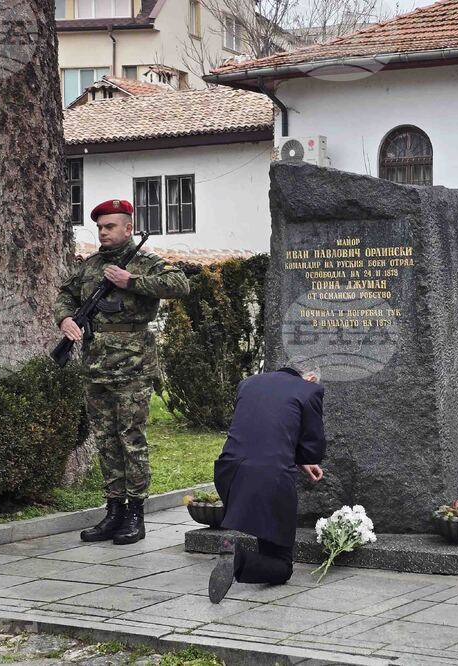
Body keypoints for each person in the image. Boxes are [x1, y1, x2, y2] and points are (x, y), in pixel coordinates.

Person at [53, 198, 190, 545]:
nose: (103, 232)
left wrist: (132, 282)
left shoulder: (146, 262)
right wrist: (66, 319)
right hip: (95, 366)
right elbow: (64, 295)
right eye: (99, 227)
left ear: (128, 228)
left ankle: (135, 514)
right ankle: (113, 511)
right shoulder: (91, 265)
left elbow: (180, 286)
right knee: (105, 440)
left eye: (110, 226)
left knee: (131, 439)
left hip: (132, 367)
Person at [208, 366, 326, 603]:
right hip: (271, 479)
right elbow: (314, 448)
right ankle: (237, 557)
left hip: (229, 472)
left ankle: (235, 552)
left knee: (268, 533)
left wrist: (300, 462)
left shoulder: (249, 383)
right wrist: (306, 459)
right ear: (311, 377)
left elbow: (263, 430)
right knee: (282, 565)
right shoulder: (309, 390)